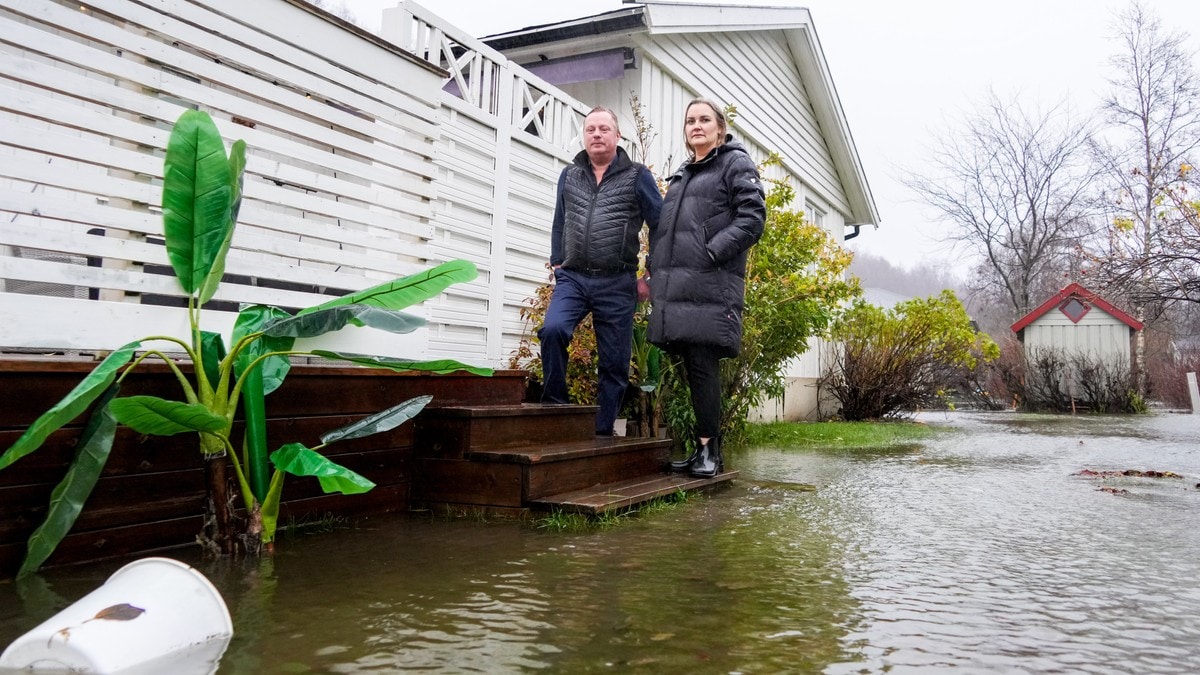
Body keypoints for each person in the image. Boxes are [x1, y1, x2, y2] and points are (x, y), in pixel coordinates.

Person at [647, 98, 765, 478]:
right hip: (678, 287)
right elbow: (667, 231)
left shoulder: (734, 161)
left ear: (720, 128)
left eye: (704, 120)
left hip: (709, 284)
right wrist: (654, 273)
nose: (696, 126)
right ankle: (702, 452)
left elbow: (752, 218)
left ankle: (710, 451)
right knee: (693, 368)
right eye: (690, 121)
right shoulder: (683, 173)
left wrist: (711, 251)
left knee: (703, 365)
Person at [539, 106, 663, 437]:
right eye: (591, 128)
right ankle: (555, 407)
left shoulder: (637, 176)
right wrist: (556, 262)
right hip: (574, 278)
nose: (596, 134)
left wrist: (649, 273)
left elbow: (661, 225)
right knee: (553, 331)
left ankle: (603, 431)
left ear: (617, 135)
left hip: (617, 281)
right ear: (584, 135)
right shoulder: (570, 175)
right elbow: (559, 221)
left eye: (604, 129)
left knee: (614, 363)